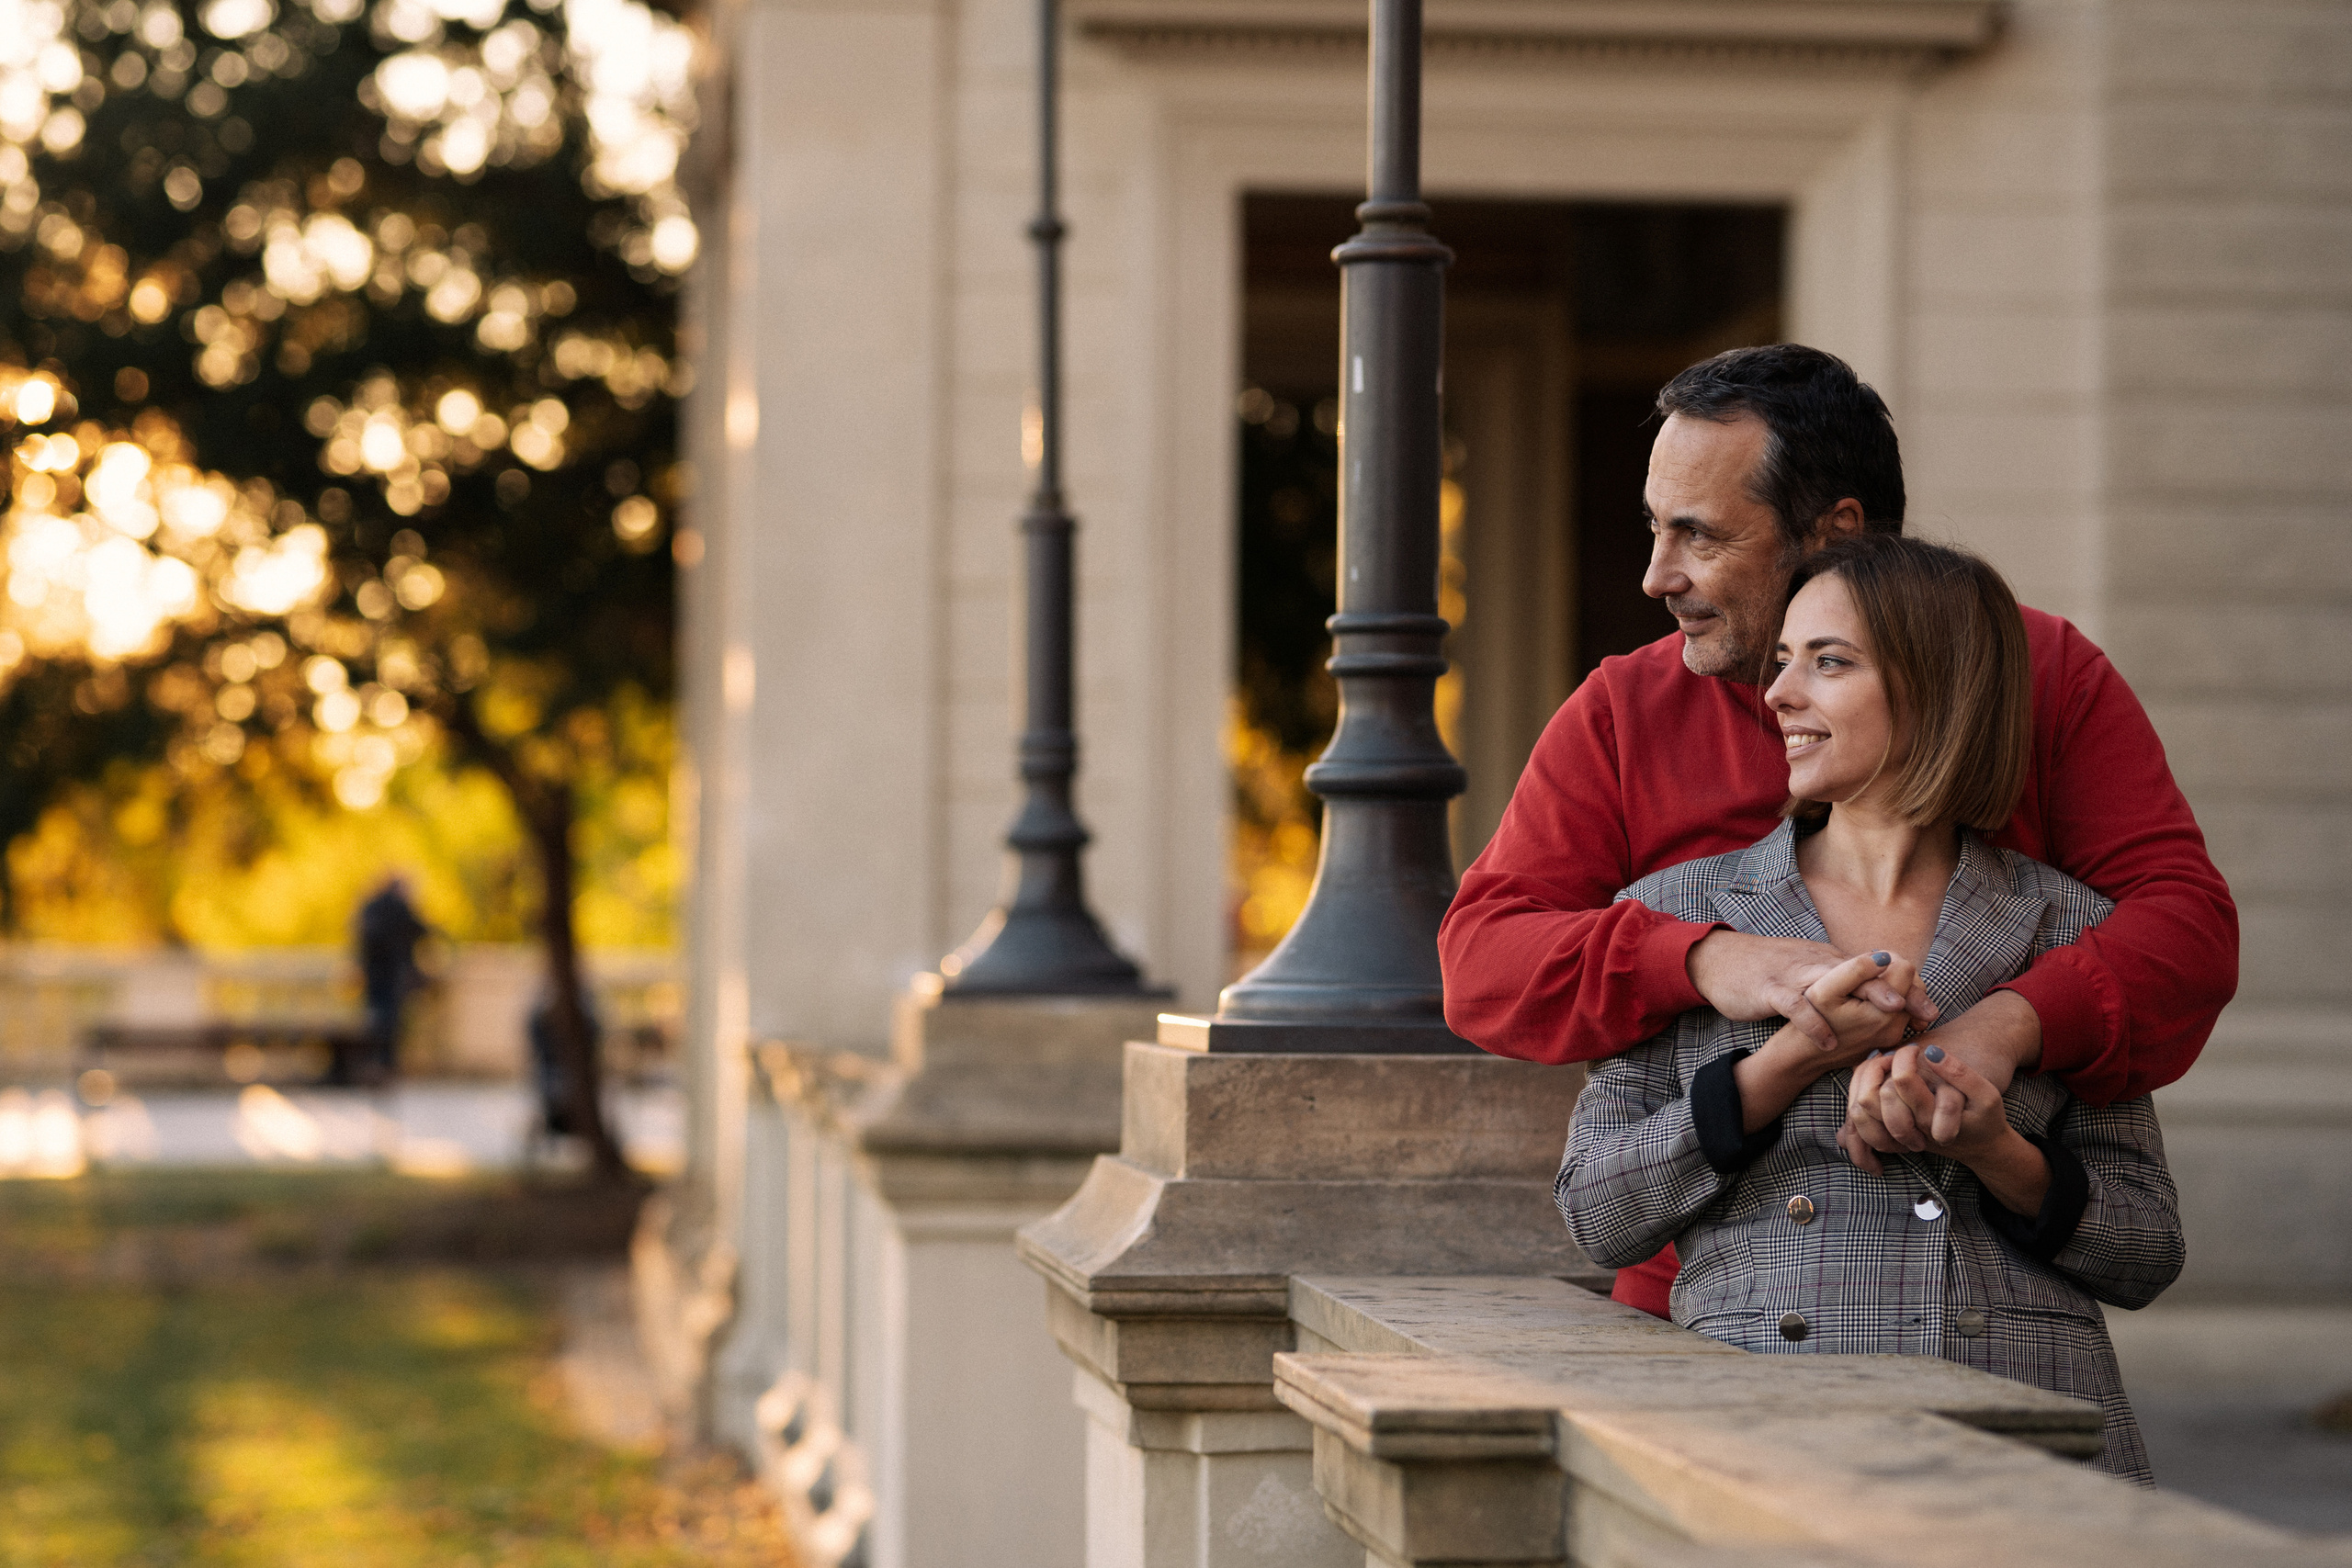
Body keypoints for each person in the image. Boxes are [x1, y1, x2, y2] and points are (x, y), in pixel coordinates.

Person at [1438, 344, 2235, 1318]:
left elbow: (2187, 934)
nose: (1656, 576)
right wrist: (1705, 959)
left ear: (1833, 535)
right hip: (1705, 1318)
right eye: (1656, 530)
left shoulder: (2045, 677)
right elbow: (1480, 960)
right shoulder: (1624, 709)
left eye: (1699, 536)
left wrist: (1998, 1031)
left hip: (1989, 1319)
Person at [1556, 536, 2184, 1483]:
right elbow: (1595, 1213)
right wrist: (1784, 1065)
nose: (1776, 695)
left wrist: (1993, 1149)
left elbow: (2147, 1251)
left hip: (2027, 1436)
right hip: (1762, 1428)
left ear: (1935, 689)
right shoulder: (1684, 913)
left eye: (1828, 663)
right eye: (1778, 664)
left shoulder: (2066, 924)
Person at [355, 875, 431, 1084]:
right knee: (391, 1021)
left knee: (375, 1019)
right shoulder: (399, 908)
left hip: (374, 974)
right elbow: (422, 930)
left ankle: (375, 1064)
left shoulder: (370, 907)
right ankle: (385, 1065)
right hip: (393, 975)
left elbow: (361, 939)